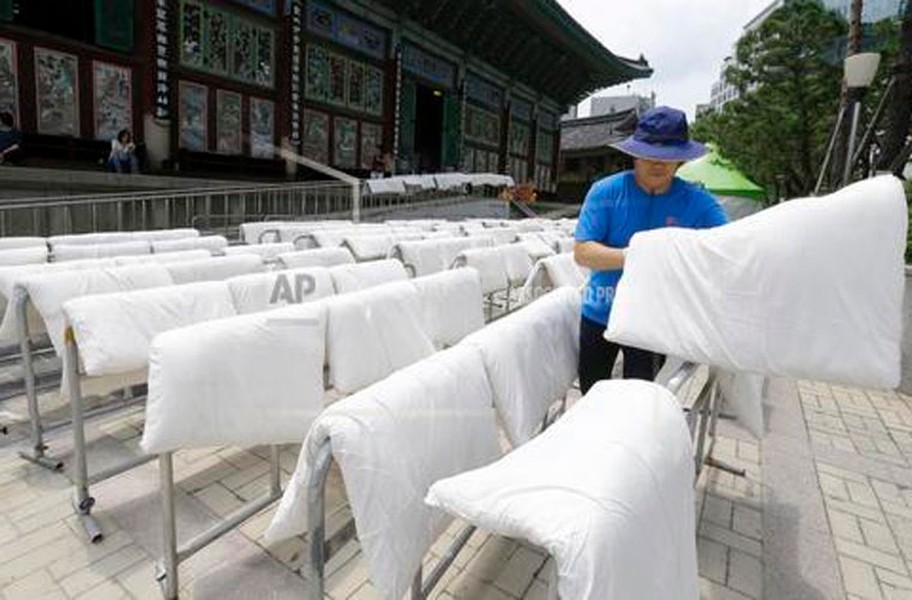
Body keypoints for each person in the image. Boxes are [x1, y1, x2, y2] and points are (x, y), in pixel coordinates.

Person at [573, 106, 728, 393]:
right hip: (600, 312)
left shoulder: (699, 202)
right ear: (634, 154)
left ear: (681, 159)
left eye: (668, 157)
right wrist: (644, 256)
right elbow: (583, 251)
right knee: (590, 397)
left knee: (641, 402)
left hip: (655, 321)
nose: (658, 164)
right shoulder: (605, 192)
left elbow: (727, 247)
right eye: (650, 156)